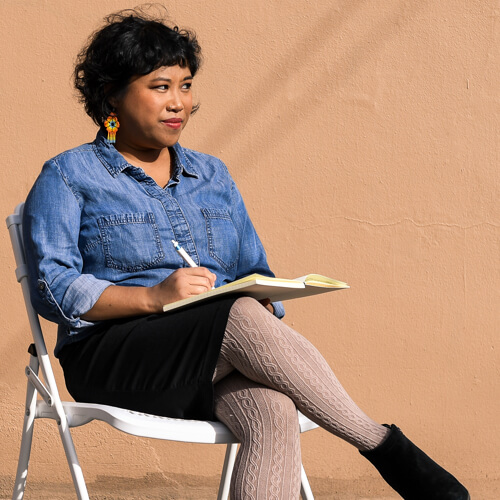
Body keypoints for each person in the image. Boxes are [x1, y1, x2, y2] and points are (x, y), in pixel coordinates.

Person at [22, 9, 469, 500]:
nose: (178, 103)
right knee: (237, 315)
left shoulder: (212, 176)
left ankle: (384, 449)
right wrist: (154, 297)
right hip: (115, 357)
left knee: (272, 406)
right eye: (160, 87)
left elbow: (253, 269)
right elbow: (54, 288)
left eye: (186, 86)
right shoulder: (70, 174)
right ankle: (381, 445)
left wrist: (264, 296)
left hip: (212, 352)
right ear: (112, 95)